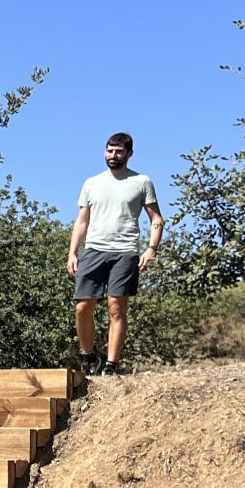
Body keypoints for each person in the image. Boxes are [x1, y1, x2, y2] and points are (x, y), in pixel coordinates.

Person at [66, 131, 164, 376]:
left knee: (116, 308)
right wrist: (72, 253)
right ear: (104, 151)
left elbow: (156, 218)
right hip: (94, 250)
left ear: (129, 153)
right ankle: (88, 356)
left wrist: (152, 248)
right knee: (82, 307)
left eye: (119, 151)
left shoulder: (142, 182)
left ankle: (111, 364)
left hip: (125, 251)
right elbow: (81, 221)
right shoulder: (91, 183)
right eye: (110, 150)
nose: (113, 155)